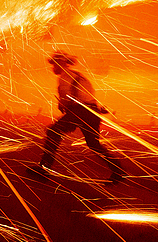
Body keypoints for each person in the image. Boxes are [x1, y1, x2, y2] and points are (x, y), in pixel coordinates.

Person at [32, 51, 124, 183]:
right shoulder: (78, 75)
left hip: (80, 111)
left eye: (54, 64)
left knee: (53, 132)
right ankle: (118, 170)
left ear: (61, 63)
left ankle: (44, 168)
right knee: (93, 144)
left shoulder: (65, 76)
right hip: (91, 111)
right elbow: (87, 94)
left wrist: (62, 104)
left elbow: (65, 97)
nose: (53, 68)